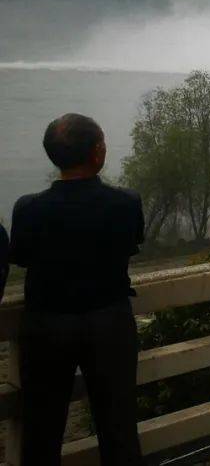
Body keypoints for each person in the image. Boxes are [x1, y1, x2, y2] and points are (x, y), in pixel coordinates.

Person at [10, 114, 144, 465]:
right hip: (110, 323)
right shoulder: (126, 204)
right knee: (118, 426)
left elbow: (21, 256)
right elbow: (130, 246)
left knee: (42, 428)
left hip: (46, 327)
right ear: (98, 152)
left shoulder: (28, 209)